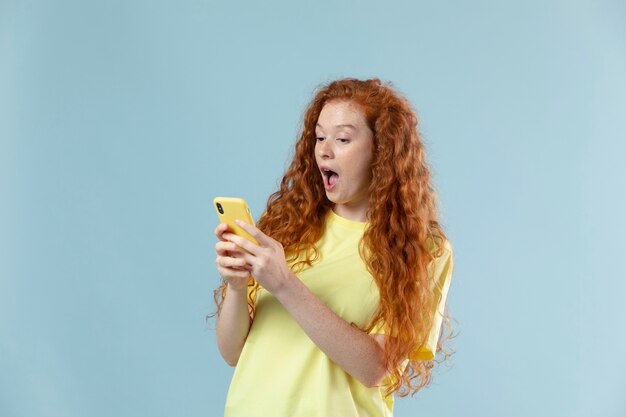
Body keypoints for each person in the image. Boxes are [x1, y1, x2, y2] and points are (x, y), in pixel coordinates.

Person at [211, 78, 455, 417]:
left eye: (342, 139)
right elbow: (232, 352)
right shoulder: (288, 224)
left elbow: (375, 368)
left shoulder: (423, 249)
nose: (324, 150)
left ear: (383, 151)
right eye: (320, 137)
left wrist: (284, 283)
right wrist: (236, 288)